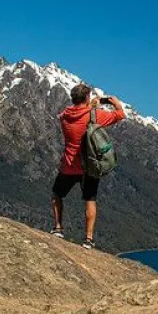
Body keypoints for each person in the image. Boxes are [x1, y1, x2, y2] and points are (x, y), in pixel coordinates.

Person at [50, 82, 125, 248]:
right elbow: (120, 115)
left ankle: (58, 228)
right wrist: (115, 103)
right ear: (86, 98)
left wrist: (88, 106)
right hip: (89, 166)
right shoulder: (95, 115)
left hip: (69, 165)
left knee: (57, 194)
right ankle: (88, 239)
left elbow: (67, 114)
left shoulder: (65, 117)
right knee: (90, 199)